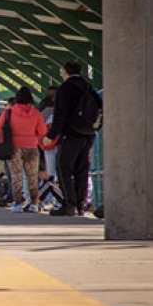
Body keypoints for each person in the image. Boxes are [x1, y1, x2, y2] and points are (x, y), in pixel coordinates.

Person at [42, 60, 102, 216]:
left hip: (71, 134)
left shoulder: (65, 88)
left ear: (65, 72)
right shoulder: (88, 87)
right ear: (80, 72)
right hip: (88, 133)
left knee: (63, 167)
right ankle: (81, 205)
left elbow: (60, 114)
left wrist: (51, 135)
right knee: (82, 169)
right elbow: (100, 107)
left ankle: (69, 204)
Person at [0, 86, 47, 213]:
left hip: (13, 148)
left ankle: (18, 203)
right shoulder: (36, 113)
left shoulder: (8, 113)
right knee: (32, 177)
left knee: (16, 176)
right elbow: (42, 131)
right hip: (32, 148)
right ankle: (34, 203)